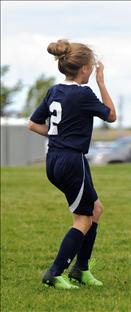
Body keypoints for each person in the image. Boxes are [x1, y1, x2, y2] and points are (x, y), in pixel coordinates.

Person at [28, 39, 117, 289]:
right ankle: (55, 272)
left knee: (95, 209)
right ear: (86, 69)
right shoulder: (83, 93)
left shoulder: (54, 90)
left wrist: (57, 135)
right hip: (71, 161)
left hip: (55, 158)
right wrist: (101, 83)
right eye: (92, 67)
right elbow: (111, 115)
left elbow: (33, 124)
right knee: (83, 220)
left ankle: (81, 269)